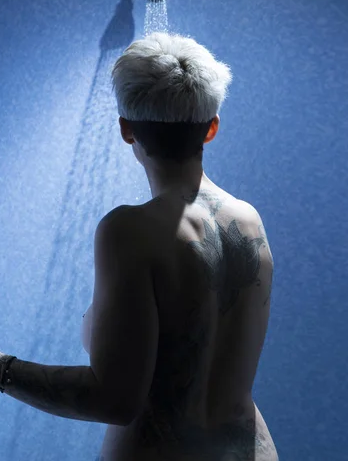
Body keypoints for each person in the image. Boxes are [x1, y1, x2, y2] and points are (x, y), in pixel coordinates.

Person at [84, 32, 279, 460]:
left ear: (126, 130)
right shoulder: (249, 221)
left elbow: (114, 400)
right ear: (211, 128)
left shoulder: (128, 231)